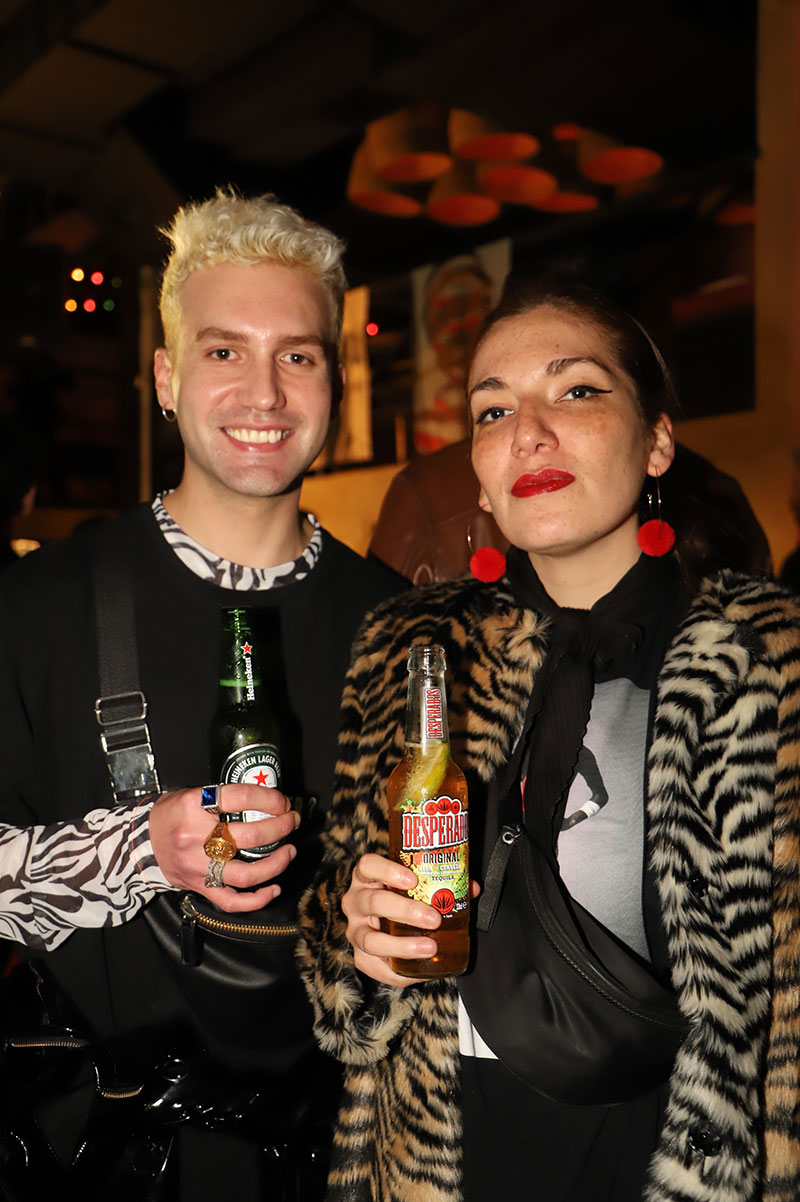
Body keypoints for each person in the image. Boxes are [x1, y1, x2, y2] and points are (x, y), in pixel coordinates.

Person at [299, 277, 800, 1202]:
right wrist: (355, 936)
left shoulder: (768, 657)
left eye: (576, 390)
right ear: (479, 471)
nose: (528, 432)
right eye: (493, 410)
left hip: (672, 1159)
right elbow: (342, 954)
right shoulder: (410, 648)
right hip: (446, 1159)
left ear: (657, 439)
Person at [0, 189, 398, 1199]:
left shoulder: (404, 622)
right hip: (107, 1161)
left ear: (333, 381)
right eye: (224, 351)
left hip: (346, 1163)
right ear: (167, 380)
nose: (264, 392)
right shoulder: (38, 604)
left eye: (297, 355)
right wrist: (138, 847)